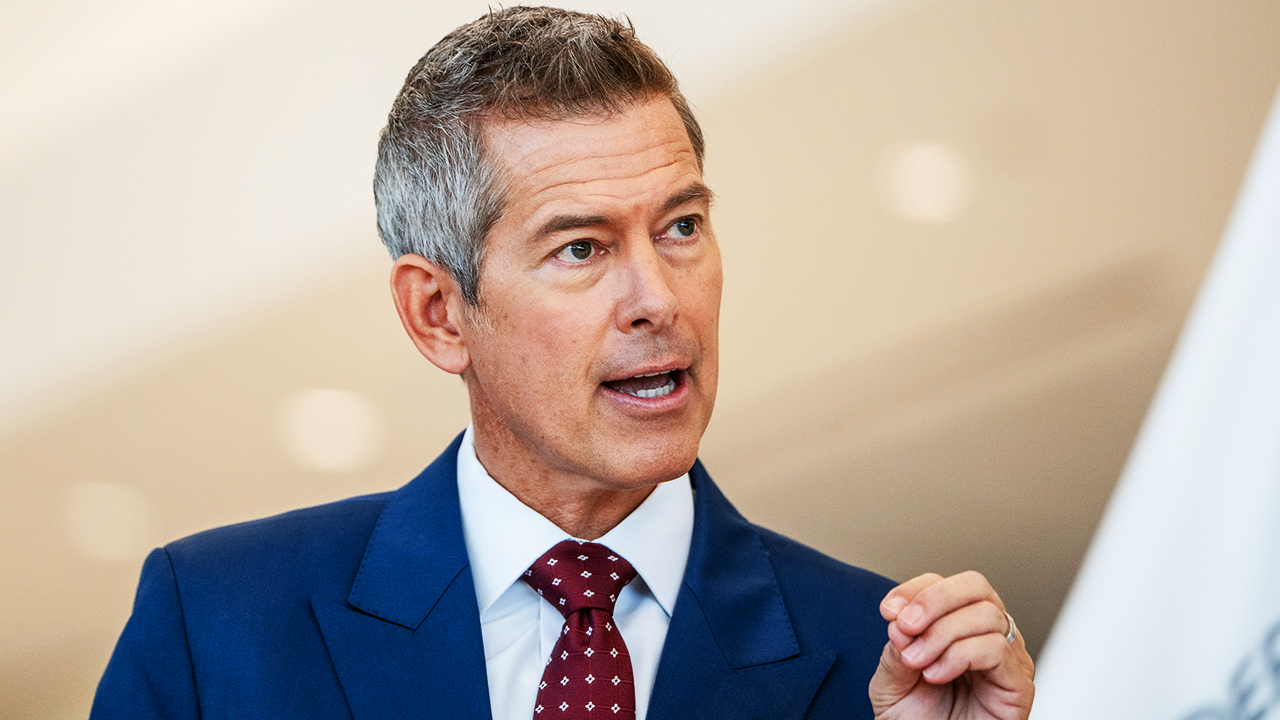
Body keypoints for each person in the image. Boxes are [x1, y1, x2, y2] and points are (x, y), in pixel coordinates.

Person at [91, 7, 1035, 719]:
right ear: (439, 314)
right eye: (581, 248)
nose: (658, 299)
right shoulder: (216, 624)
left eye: (682, 227)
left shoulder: (879, 659)